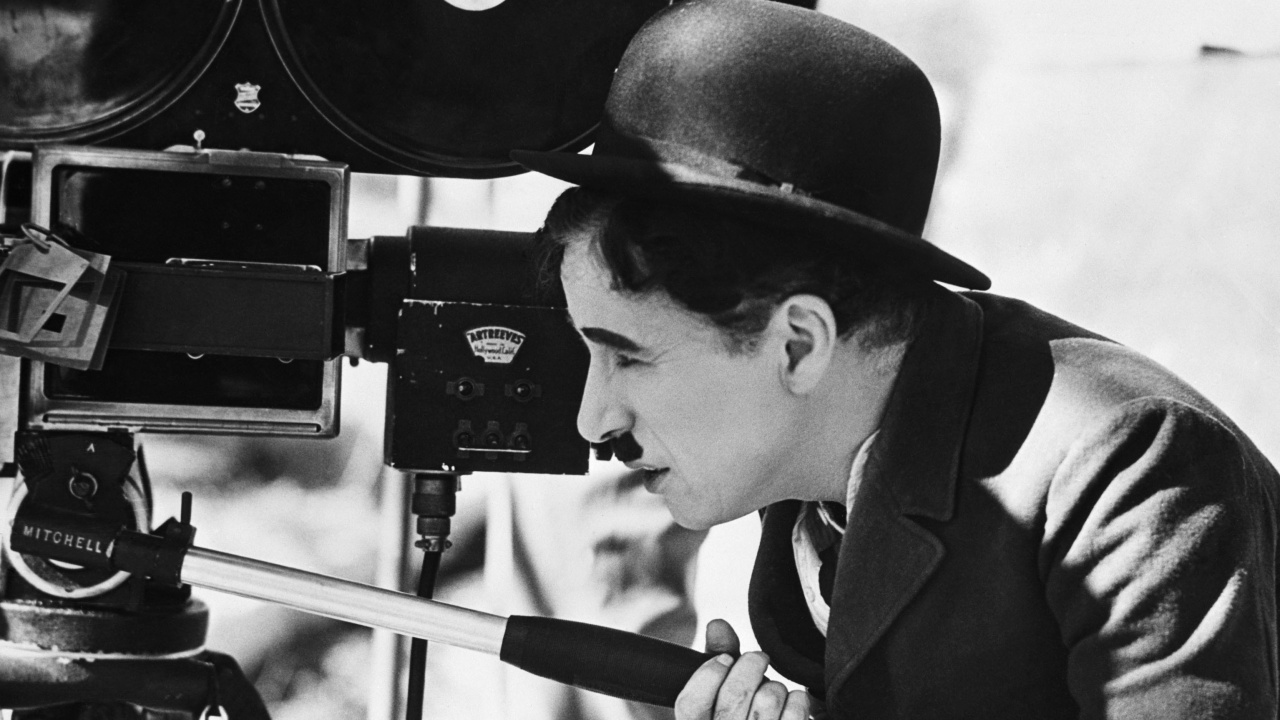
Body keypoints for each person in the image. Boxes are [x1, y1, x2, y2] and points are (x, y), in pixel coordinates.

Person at [511, 0, 1280, 717]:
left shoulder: (1130, 471)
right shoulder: (814, 460)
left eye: (629, 358)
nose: (593, 421)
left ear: (799, 344)